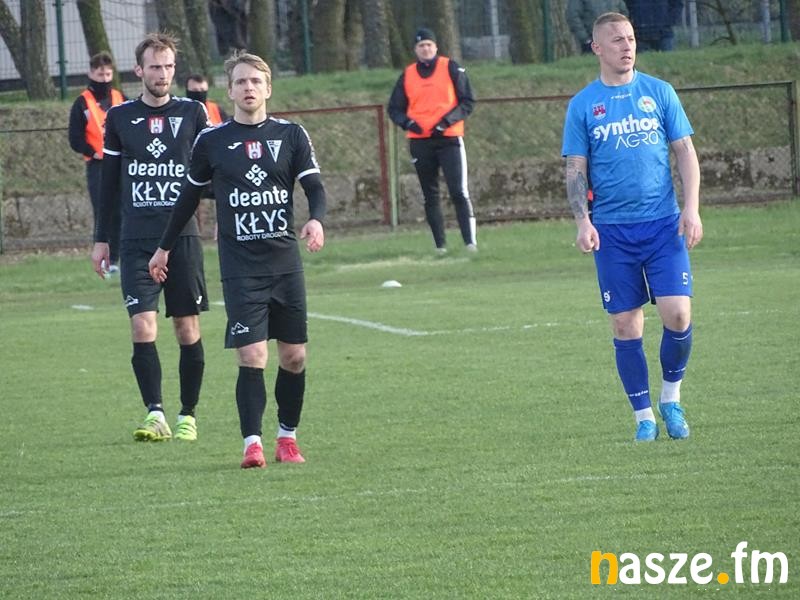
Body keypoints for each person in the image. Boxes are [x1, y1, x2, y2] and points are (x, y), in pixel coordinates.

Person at [148, 51, 327, 469]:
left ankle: (287, 438)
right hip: (241, 267)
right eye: (241, 82)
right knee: (252, 356)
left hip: (284, 264)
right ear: (229, 91)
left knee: (294, 356)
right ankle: (252, 444)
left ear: (268, 88)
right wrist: (164, 247)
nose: (249, 88)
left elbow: (315, 188)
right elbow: (187, 198)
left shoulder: (291, 135)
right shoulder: (211, 141)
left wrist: (316, 219)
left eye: (256, 81)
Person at [561, 12, 702, 442]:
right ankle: (644, 418)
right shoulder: (583, 104)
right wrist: (583, 221)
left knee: (678, 314)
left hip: (663, 225)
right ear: (597, 48)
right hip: (613, 232)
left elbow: (685, 152)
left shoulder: (659, 92)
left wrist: (691, 209)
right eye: (617, 40)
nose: (627, 46)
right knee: (626, 325)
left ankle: (671, 399)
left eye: (631, 38)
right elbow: (575, 169)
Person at [91, 33, 211, 443]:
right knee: (143, 326)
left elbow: (212, 169)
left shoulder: (193, 112)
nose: (163, 74)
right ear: (139, 70)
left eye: (168, 66)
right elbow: (108, 184)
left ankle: (188, 414)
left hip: (183, 239)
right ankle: (155, 413)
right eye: (155, 67)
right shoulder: (120, 117)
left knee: (186, 329)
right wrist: (101, 239)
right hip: (136, 240)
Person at [388, 28, 477, 254]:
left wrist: (446, 122)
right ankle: (440, 246)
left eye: (429, 44)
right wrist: (409, 124)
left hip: (449, 139)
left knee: (458, 191)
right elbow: (394, 109)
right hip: (421, 141)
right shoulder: (408, 75)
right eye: (421, 46)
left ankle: (470, 243)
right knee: (430, 194)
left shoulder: (451, 68)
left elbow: (467, 101)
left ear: (436, 47)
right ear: (415, 50)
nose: (425, 49)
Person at [68, 51, 126, 274]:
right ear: (91, 73)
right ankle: (103, 259)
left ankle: (118, 258)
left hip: (120, 164)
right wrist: (93, 152)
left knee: (121, 210)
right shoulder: (82, 102)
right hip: (98, 166)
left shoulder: (120, 98)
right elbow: (75, 138)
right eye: (100, 74)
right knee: (103, 211)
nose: (104, 79)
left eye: (108, 74)